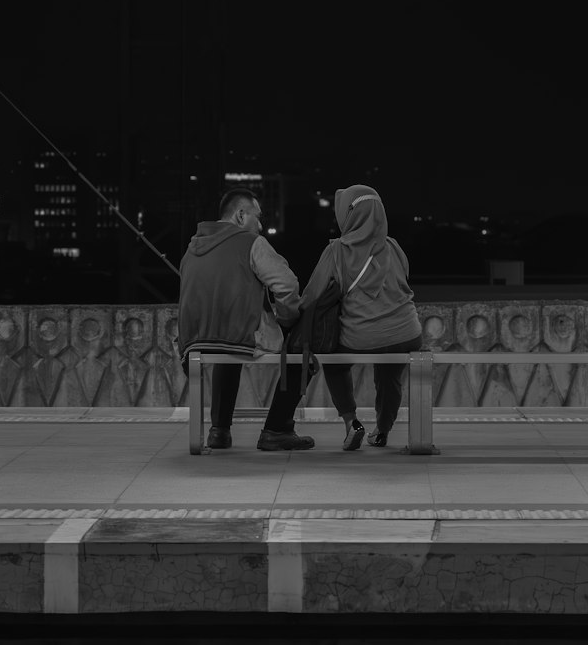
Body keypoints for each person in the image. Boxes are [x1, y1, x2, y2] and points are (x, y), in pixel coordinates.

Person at [178, 187, 315, 452]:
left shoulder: (192, 247)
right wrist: (287, 320)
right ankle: (277, 429)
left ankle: (219, 430)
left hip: (195, 341)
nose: (260, 225)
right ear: (241, 216)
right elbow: (286, 285)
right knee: (303, 351)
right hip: (241, 336)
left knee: (227, 346)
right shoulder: (251, 242)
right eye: (257, 216)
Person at [301, 184, 422, 450]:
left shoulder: (337, 251)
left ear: (349, 215)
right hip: (407, 333)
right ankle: (382, 430)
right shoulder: (394, 247)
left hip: (361, 337)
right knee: (390, 372)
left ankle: (351, 422)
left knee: (333, 361)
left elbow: (311, 296)